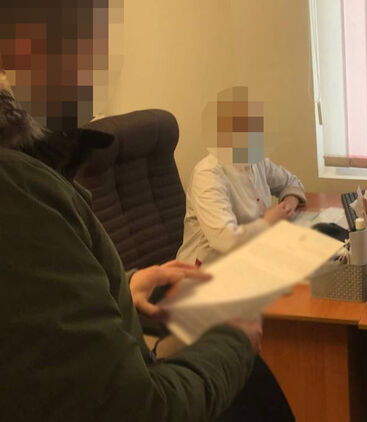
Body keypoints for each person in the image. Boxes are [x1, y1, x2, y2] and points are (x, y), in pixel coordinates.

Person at [0, 71, 293, 421]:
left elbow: (39, 306)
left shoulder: (24, 170)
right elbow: (133, 408)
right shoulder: (14, 185)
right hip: (206, 292)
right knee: (260, 388)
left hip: (165, 321)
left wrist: (124, 288)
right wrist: (235, 339)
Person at [177, 86, 305, 265]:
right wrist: (269, 221)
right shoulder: (208, 174)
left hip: (251, 254)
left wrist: (288, 205)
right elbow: (226, 240)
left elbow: (291, 182)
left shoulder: (256, 160)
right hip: (208, 267)